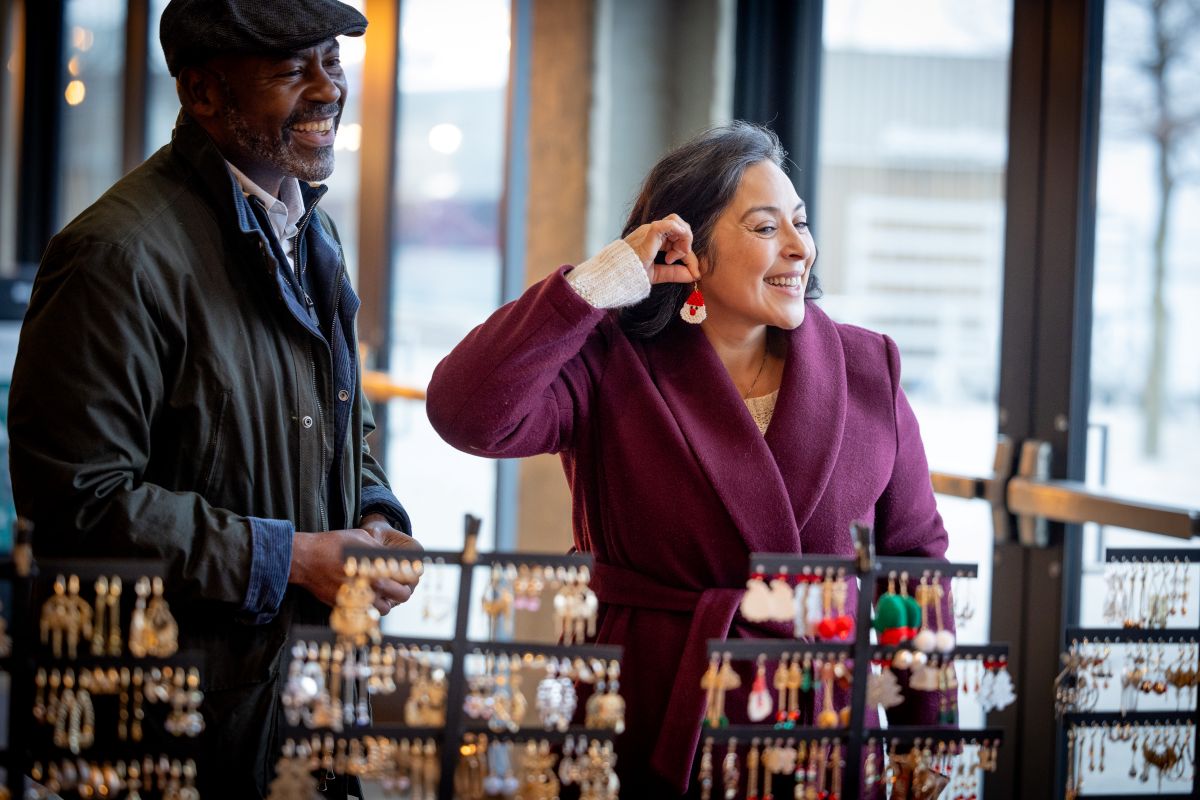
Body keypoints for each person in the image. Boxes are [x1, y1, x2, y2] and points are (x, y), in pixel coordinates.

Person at [426, 122, 949, 795]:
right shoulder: (611, 359)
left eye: (801, 222)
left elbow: (915, 571)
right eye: (765, 229)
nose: (800, 248)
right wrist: (595, 284)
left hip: (820, 727)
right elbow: (465, 413)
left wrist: (919, 746)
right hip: (647, 709)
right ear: (690, 247)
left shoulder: (866, 364)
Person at [8, 0, 420, 795]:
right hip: (168, 719)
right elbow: (75, 504)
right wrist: (295, 559)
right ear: (203, 94)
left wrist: (374, 519)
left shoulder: (311, 232)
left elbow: (343, 425)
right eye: (290, 68)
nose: (327, 88)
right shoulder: (114, 256)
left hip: (298, 698)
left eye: (331, 61)